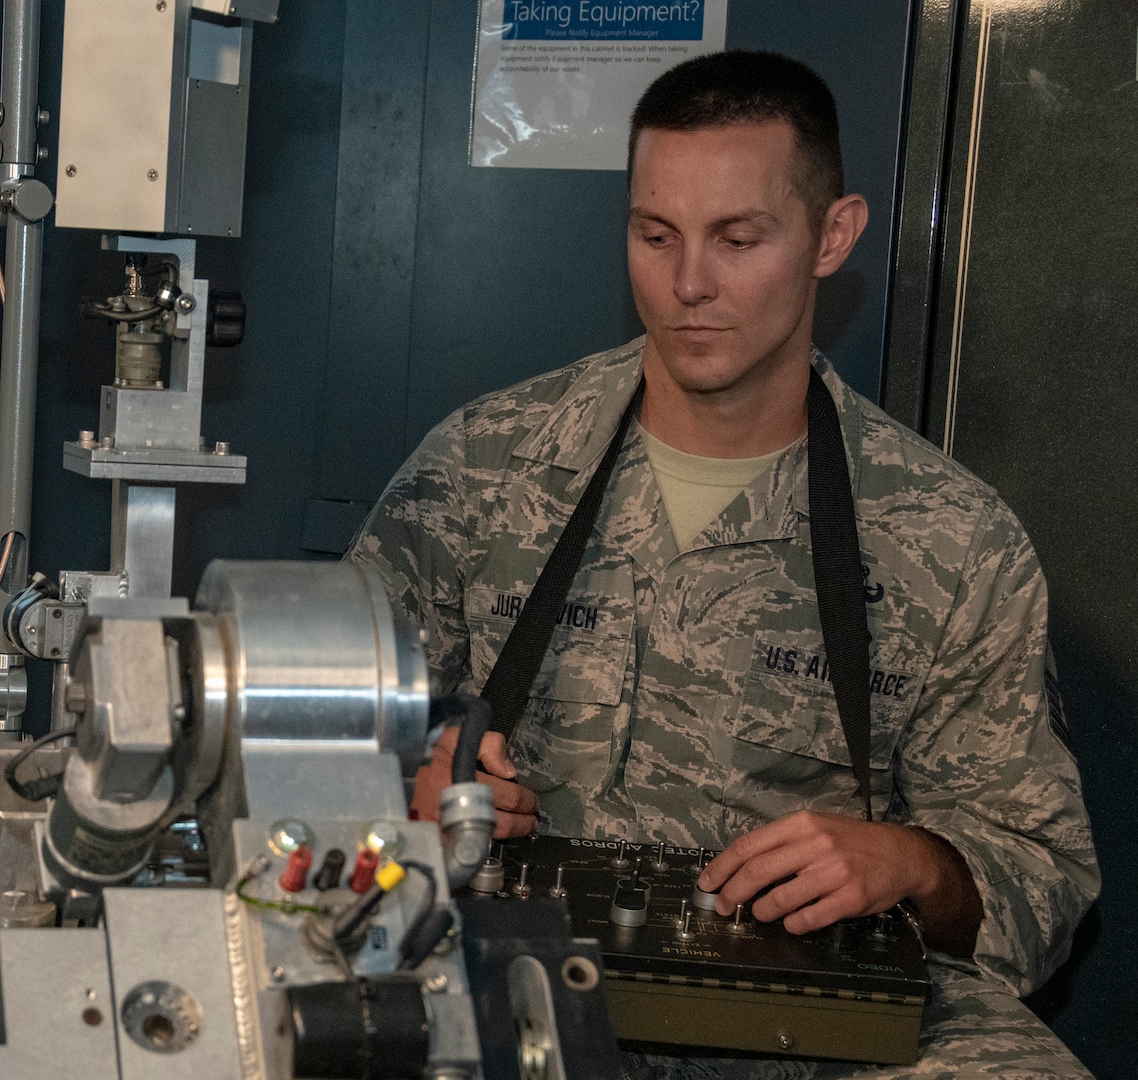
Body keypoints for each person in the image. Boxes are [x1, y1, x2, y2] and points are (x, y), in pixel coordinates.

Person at [348, 50, 1099, 1078]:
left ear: (833, 236)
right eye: (655, 236)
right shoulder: (483, 466)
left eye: (738, 238)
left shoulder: (950, 539)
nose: (689, 284)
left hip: (802, 1015)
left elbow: (1042, 872)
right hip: (500, 973)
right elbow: (308, 728)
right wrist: (408, 785)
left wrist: (913, 862)